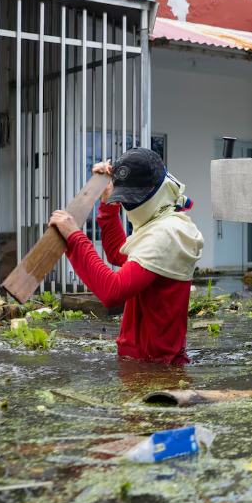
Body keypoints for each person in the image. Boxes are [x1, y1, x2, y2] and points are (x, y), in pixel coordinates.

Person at [48, 148, 204, 365]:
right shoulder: (159, 221)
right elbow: (118, 254)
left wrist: (75, 237)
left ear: (153, 190)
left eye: (132, 199)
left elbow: (113, 292)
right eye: (125, 199)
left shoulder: (168, 231)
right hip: (140, 361)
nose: (129, 206)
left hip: (160, 369)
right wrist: (108, 203)